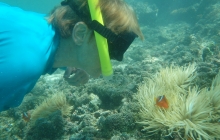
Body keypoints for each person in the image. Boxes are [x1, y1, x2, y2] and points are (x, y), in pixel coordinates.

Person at [0, 0, 144, 111]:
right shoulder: (23, 64)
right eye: (111, 51)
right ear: (80, 33)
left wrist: (75, 62)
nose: (114, 60)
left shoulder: (42, 34)